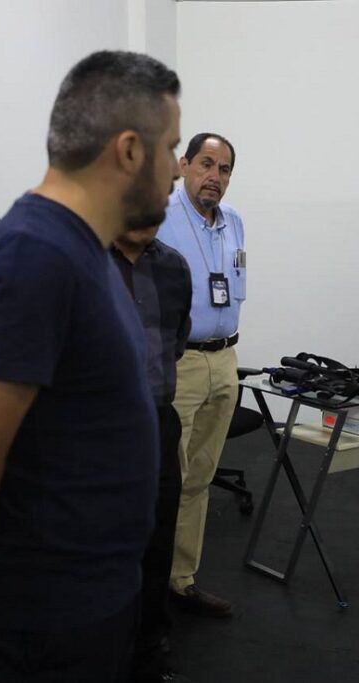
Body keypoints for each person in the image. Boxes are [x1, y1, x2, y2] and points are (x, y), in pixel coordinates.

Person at [0, 50, 182, 682]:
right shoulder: (32, 256)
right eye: (171, 149)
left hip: (87, 601)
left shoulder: (83, 249)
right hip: (39, 618)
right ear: (129, 151)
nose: (177, 170)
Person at [157, 132, 245, 617]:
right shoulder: (159, 217)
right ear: (184, 165)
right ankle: (145, 585)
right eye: (206, 164)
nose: (214, 176)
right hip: (179, 362)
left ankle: (180, 579)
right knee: (165, 479)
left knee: (200, 478)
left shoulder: (234, 223)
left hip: (225, 360)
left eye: (224, 169)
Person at [110, 225, 193, 683]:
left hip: (159, 421)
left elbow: (176, 340)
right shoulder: (83, 258)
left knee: (158, 543)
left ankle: (149, 649)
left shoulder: (174, 267)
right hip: (98, 427)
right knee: (101, 543)